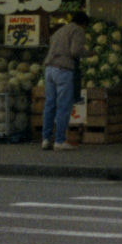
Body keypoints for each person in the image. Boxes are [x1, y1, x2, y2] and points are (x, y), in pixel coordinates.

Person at [42, 10, 89, 150]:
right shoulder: (78, 30)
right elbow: (75, 51)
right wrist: (88, 53)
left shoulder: (60, 31)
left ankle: (45, 139)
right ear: (83, 23)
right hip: (63, 70)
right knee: (63, 106)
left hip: (49, 69)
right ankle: (59, 141)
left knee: (50, 105)